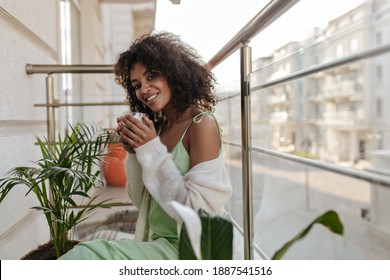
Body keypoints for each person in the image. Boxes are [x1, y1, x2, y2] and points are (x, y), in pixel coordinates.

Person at [59, 31, 232, 260]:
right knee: (86, 252)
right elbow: (142, 201)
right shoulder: (159, 128)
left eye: (152, 76)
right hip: (157, 242)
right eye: (137, 84)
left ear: (173, 73)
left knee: (84, 255)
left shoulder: (203, 125)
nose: (144, 89)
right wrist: (134, 153)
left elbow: (199, 212)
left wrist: (150, 148)